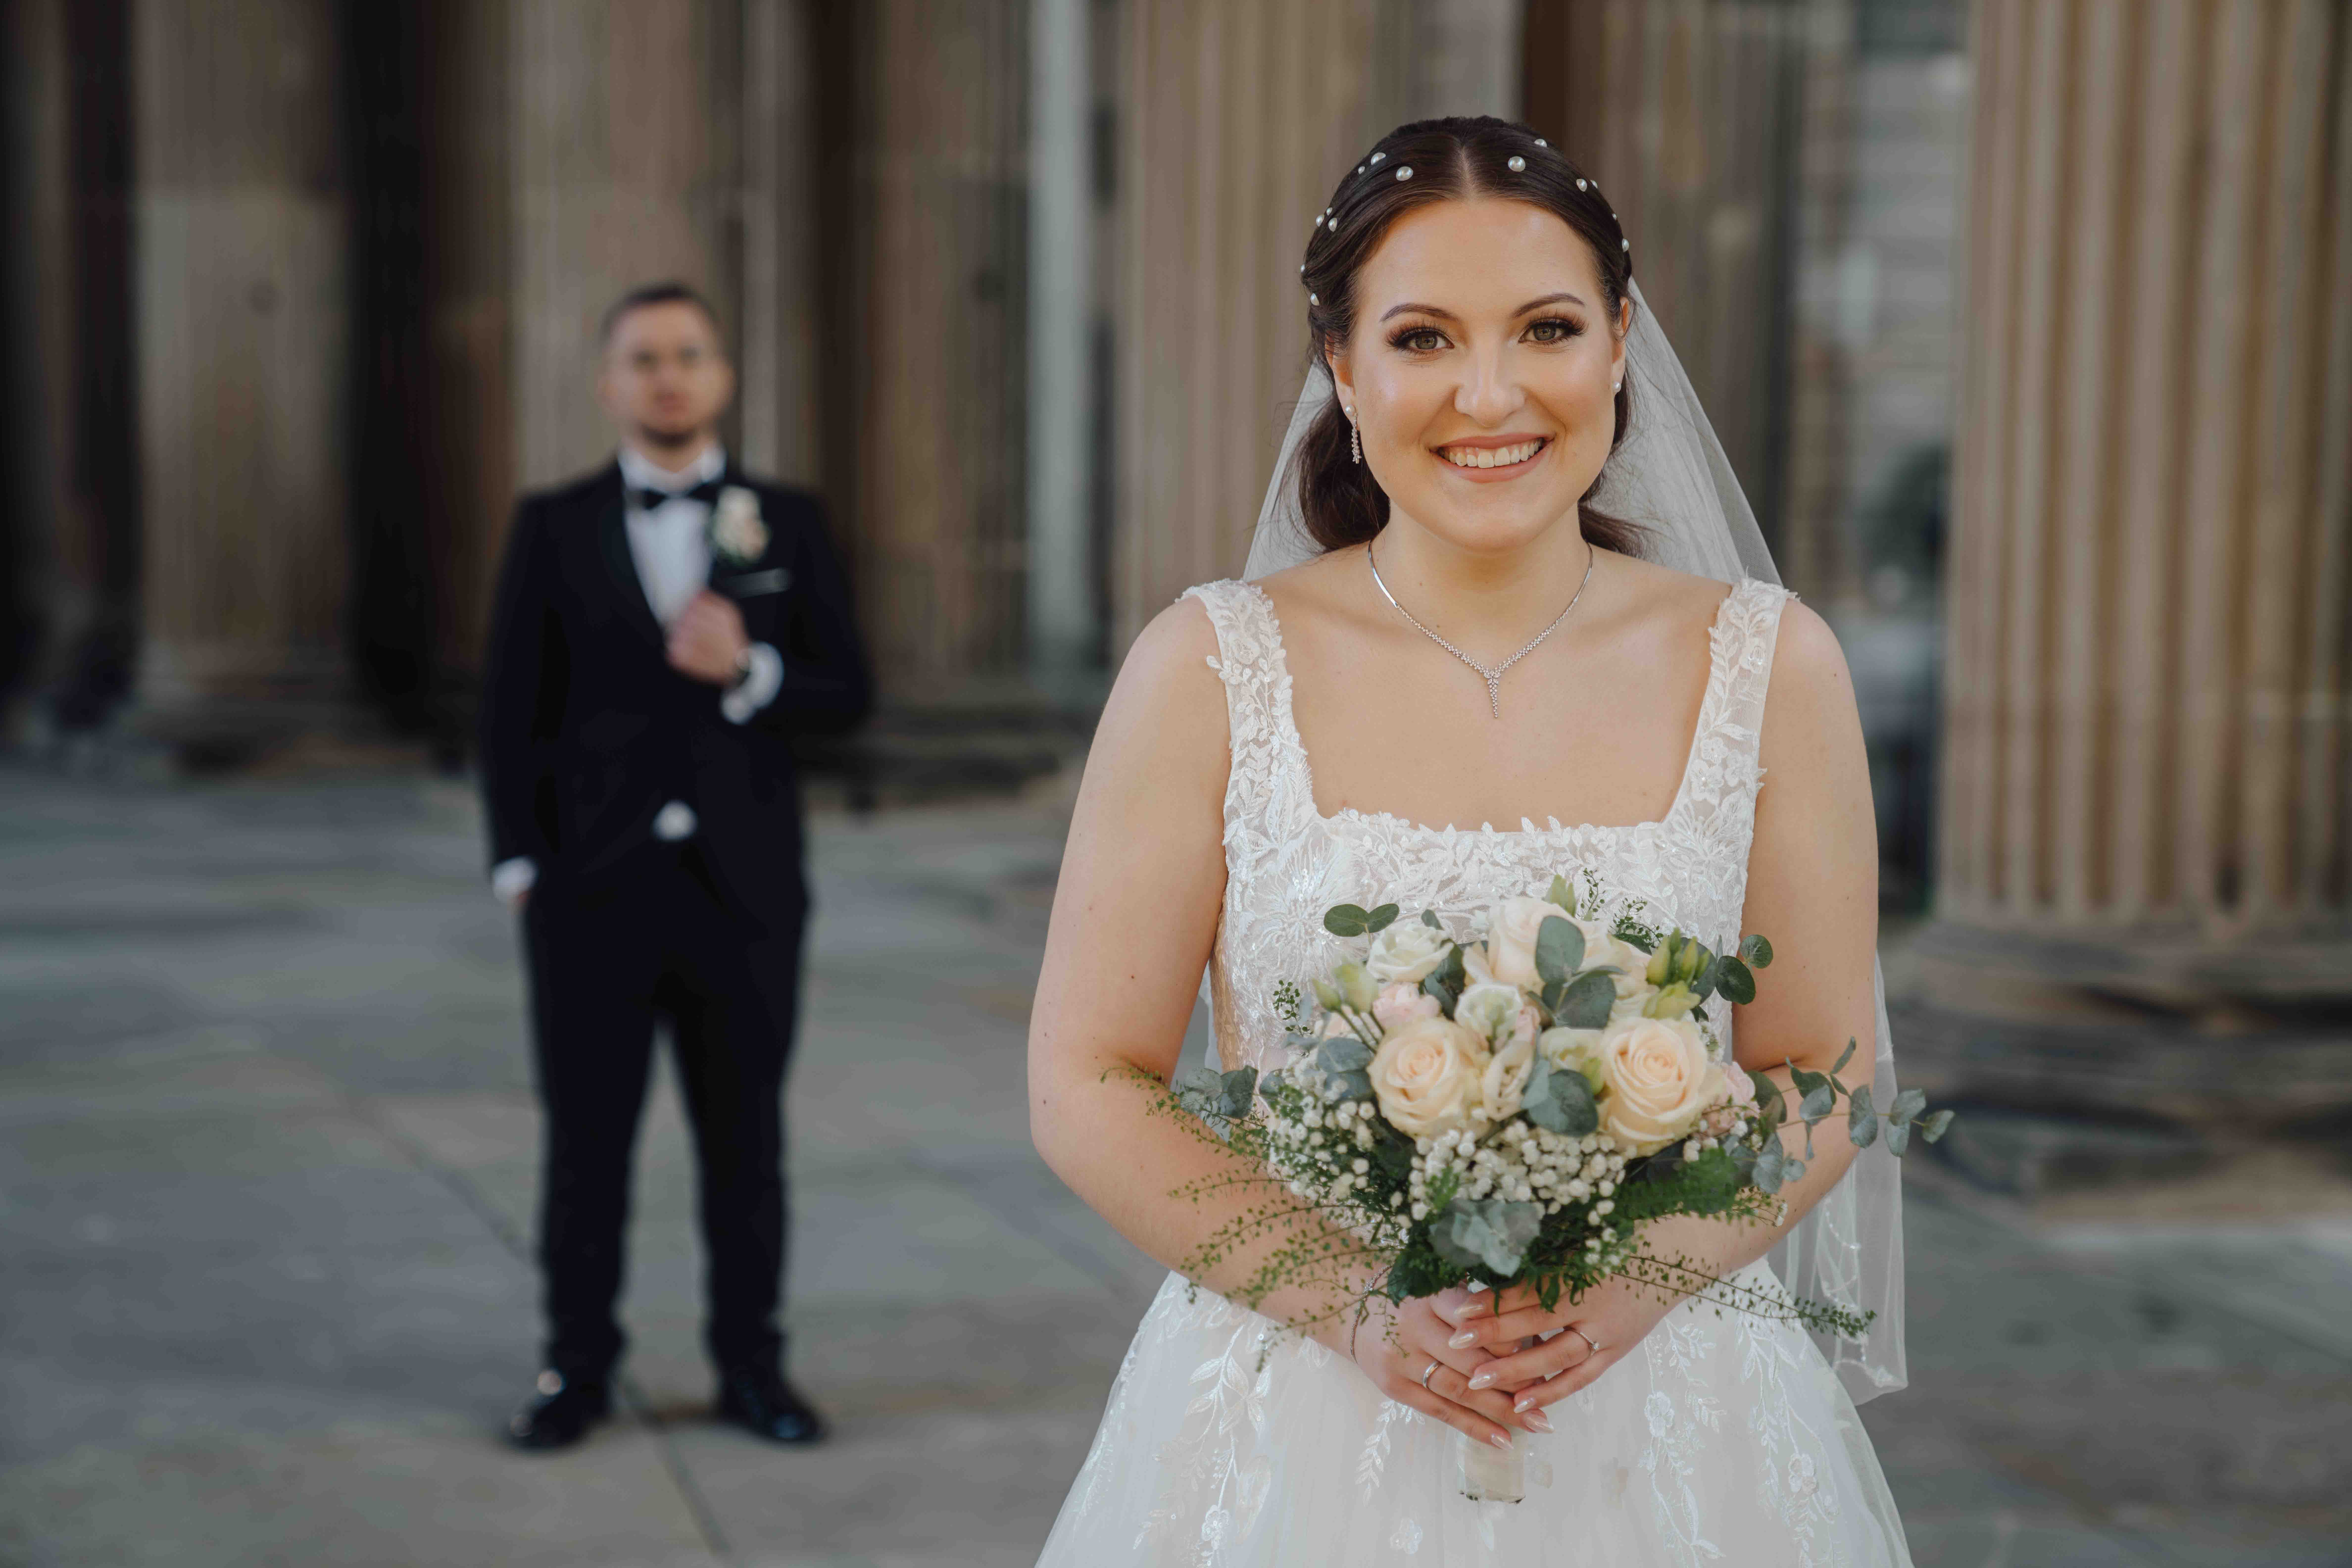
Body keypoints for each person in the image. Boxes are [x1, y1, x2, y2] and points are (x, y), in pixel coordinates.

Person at [1028, 119, 1913, 1562]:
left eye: (1547, 329)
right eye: (1425, 337)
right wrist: (1358, 1307)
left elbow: (1822, 1061)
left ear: (1620, 342)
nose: (1489, 394)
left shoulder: (1770, 667)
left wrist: (1631, 1284)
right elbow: (1084, 1078)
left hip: (1671, 1408)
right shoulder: (1208, 670)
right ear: (1342, 366)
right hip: (1303, 1415)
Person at [479, 282, 871, 1452]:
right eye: (644, 357)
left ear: (721, 378)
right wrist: (518, 866)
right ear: (610, 383)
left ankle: (754, 1370)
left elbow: (850, 695)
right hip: (587, 896)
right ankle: (575, 1370)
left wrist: (750, 670)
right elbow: (510, 712)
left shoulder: (785, 520)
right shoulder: (551, 526)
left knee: (745, 1147)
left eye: (689, 354)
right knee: (585, 1150)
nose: (668, 375)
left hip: (743, 900)